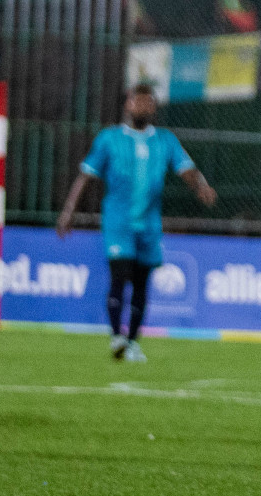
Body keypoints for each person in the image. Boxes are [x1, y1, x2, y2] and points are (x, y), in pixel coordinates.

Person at [56, 84, 217, 362]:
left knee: (142, 283)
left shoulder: (165, 140)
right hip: (118, 222)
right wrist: (68, 210)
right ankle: (117, 336)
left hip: (150, 225)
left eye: (147, 101)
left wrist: (201, 186)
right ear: (127, 104)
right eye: (137, 100)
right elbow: (86, 175)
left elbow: (186, 169)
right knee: (119, 277)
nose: (142, 106)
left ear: (153, 107)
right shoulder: (109, 139)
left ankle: (131, 342)